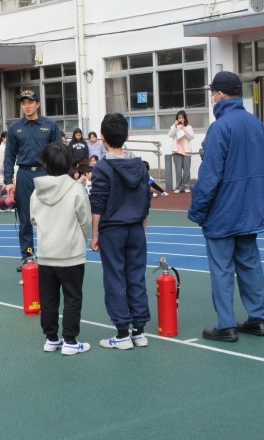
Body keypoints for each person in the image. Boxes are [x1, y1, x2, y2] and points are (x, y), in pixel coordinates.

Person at [188, 71, 264, 342]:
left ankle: (226, 325)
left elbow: (210, 176)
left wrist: (197, 211)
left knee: (222, 269)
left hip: (223, 211)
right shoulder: (257, 125)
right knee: (250, 264)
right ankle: (257, 319)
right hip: (251, 209)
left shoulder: (220, 127)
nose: (212, 97)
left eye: (213, 93)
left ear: (220, 94)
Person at [90, 113, 151, 350]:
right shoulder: (140, 165)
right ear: (127, 136)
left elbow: (98, 203)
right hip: (136, 228)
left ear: (102, 138)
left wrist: (95, 234)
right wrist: (142, 228)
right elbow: (146, 200)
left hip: (112, 230)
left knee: (115, 278)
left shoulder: (102, 167)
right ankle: (139, 332)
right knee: (136, 277)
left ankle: (122, 333)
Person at [31, 142, 92, 355]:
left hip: (46, 254)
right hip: (71, 254)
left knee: (48, 298)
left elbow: (33, 220)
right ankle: (70, 341)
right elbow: (85, 220)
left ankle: (51, 338)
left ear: (45, 163)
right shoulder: (76, 188)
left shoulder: (36, 191)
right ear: (68, 163)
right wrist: (81, 239)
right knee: (72, 297)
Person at [4, 90, 61, 272]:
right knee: (25, 219)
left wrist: (59, 176)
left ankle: (50, 255)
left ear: (38, 104)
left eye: (30, 102)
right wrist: (8, 180)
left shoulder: (50, 126)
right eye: (23, 103)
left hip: (46, 174)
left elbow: (59, 152)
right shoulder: (15, 128)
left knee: (49, 217)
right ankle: (28, 256)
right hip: (24, 175)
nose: (27, 106)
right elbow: (9, 156)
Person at [168, 110, 195, 193]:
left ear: (185, 118)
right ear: (177, 119)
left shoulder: (188, 127)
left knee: (186, 170)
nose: (180, 119)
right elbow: (170, 135)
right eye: (179, 118)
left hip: (186, 151)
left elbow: (191, 137)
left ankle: (186, 186)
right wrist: (175, 126)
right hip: (176, 151)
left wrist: (183, 128)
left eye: (182, 117)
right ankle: (178, 187)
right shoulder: (174, 126)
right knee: (178, 171)